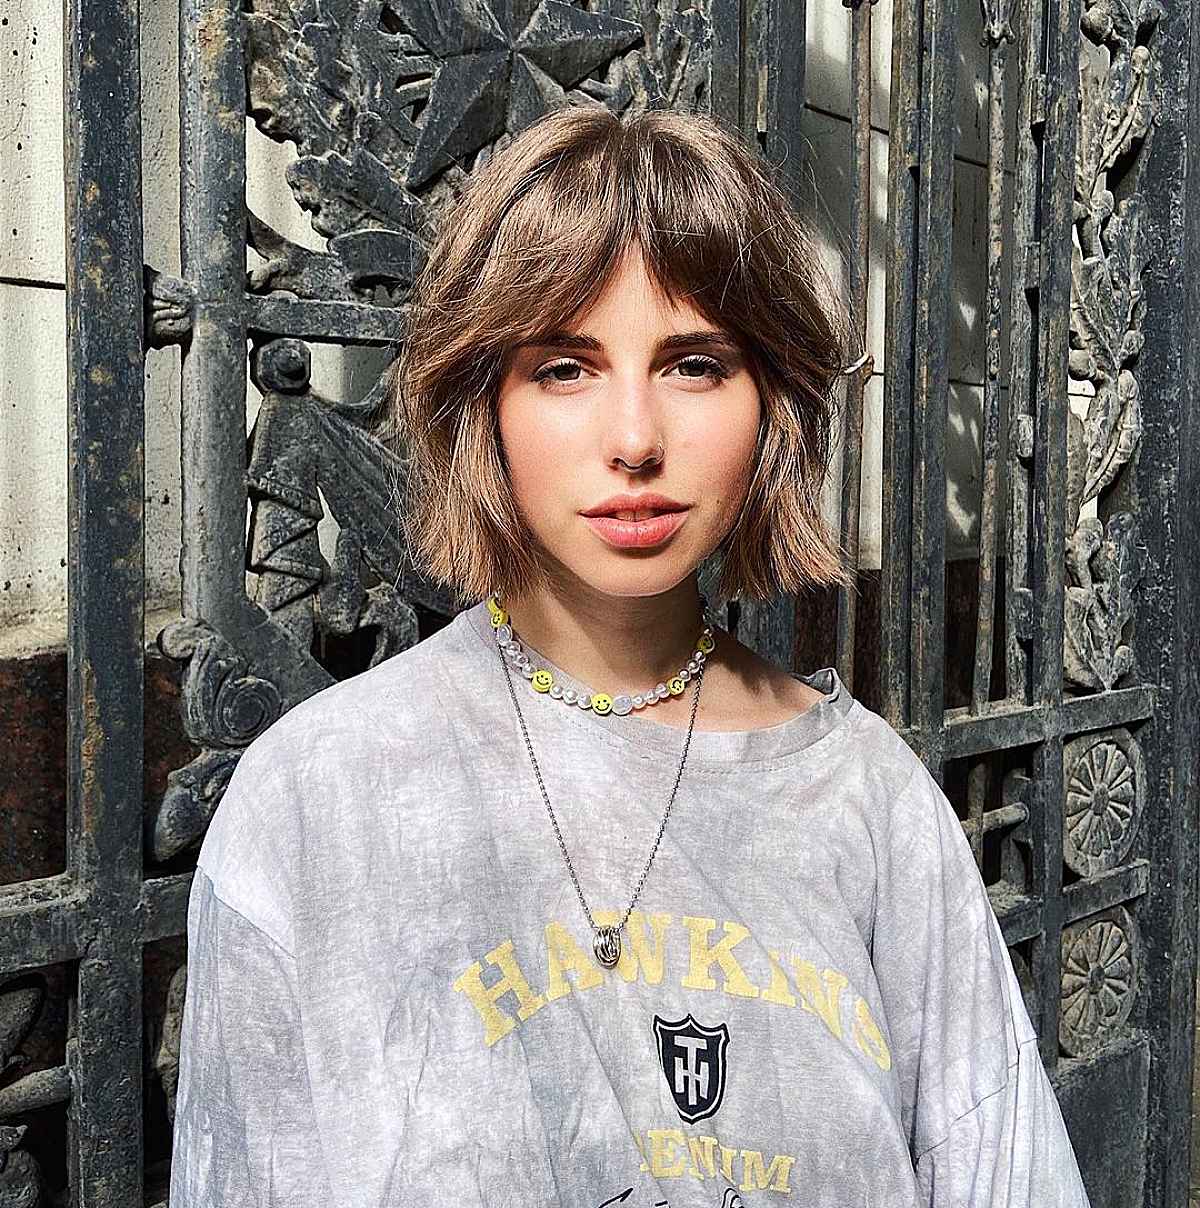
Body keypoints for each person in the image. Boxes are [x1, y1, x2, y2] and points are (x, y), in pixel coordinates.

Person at [168, 106, 1091, 1207]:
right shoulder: (318, 795)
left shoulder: (870, 801)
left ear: (772, 401)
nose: (637, 439)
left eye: (694, 364)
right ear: (483, 402)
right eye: (566, 367)